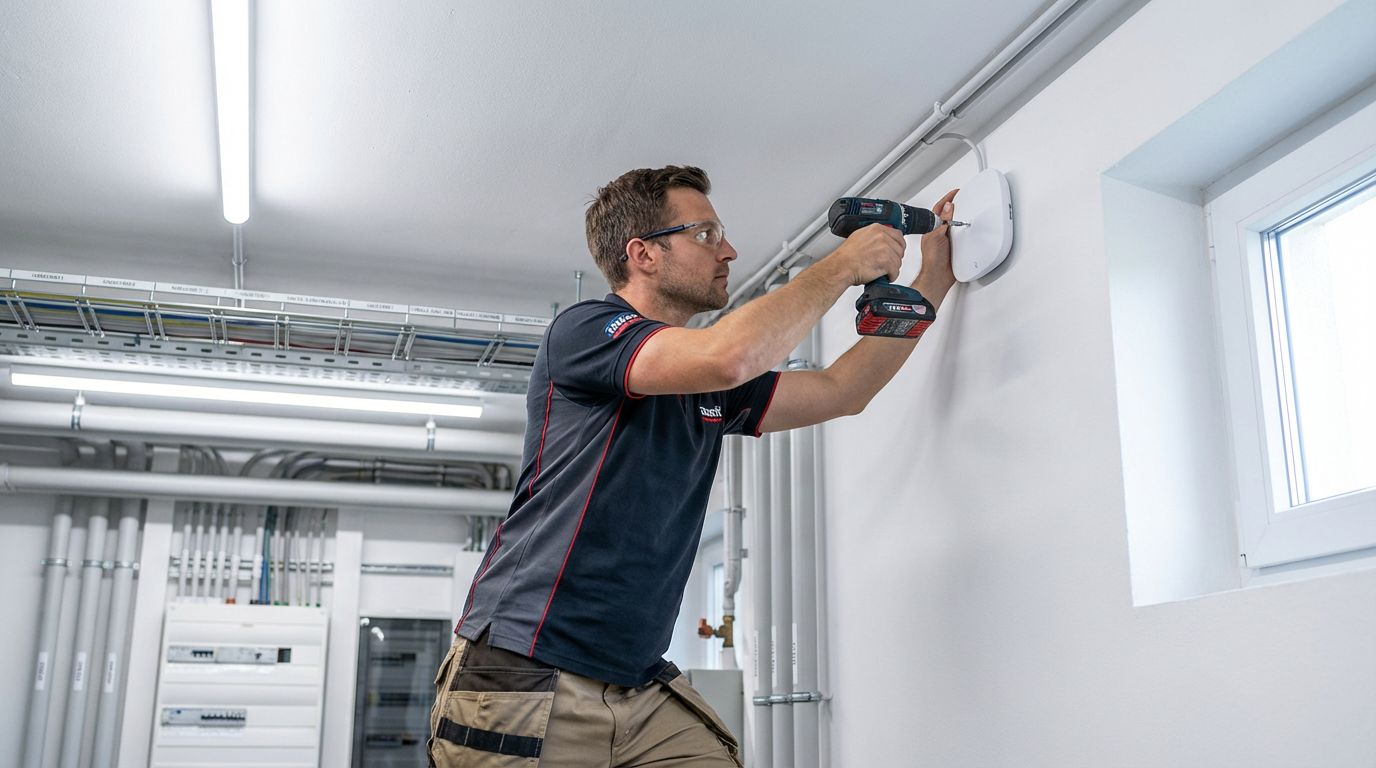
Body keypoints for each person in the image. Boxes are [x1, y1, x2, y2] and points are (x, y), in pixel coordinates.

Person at [429, 166, 957, 767]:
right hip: (526, 668)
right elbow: (730, 356)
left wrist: (933, 281)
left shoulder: (704, 385)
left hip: (637, 680)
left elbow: (843, 389)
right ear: (644, 254)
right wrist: (841, 266)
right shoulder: (584, 332)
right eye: (706, 234)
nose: (728, 251)